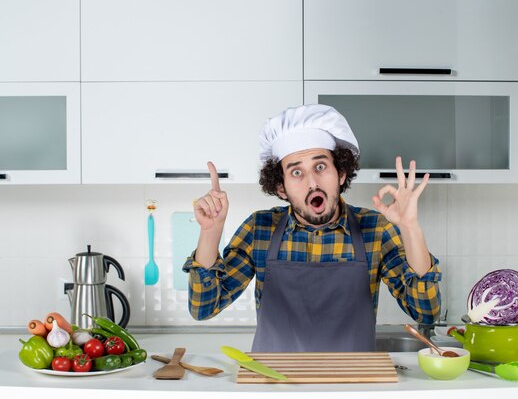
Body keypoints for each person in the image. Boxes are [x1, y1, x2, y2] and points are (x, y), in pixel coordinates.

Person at [183, 104, 441, 352]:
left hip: (353, 384)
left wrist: (410, 228)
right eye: (296, 173)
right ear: (281, 187)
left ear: (340, 174)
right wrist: (210, 233)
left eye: (320, 167)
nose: (312, 182)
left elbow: (425, 311)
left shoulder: (375, 229)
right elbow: (204, 308)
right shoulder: (259, 230)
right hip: (275, 385)